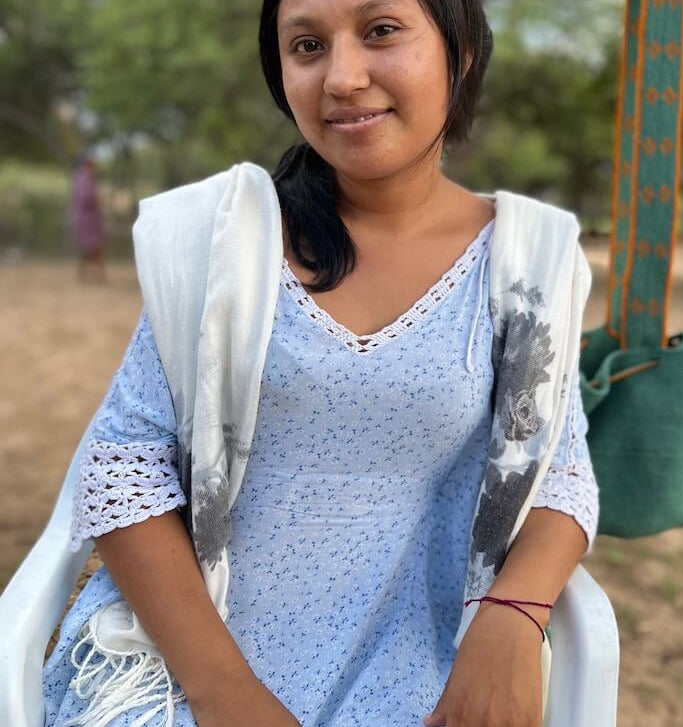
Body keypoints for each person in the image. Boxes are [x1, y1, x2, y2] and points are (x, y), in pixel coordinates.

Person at [42, 1, 599, 726]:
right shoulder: (226, 247)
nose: (342, 77)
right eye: (307, 46)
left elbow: (561, 470)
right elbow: (122, 466)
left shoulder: (528, 262)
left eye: (381, 31)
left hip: (418, 667)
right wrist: (228, 699)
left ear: (460, 54)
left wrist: (511, 615)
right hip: (180, 665)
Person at [69, 155, 107, 284]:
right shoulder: (84, 179)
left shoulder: (79, 178)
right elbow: (88, 198)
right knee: (94, 247)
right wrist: (100, 202)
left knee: (88, 247)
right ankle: (99, 275)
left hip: (85, 218)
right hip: (88, 219)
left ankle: (86, 274)